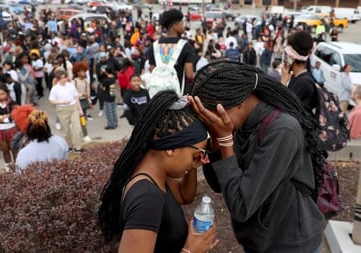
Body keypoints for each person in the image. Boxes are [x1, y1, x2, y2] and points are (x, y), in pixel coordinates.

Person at [188, 60, 325, 253]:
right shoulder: (240, 121)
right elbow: (219, 184)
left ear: (240, 101)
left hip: (289, 244)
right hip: (261, 241)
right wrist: (217, 141)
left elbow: (241, 206)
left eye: (212, 114)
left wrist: (226, 140)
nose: (212, 122)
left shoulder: (282, 130)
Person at [99, 90, 218, 253]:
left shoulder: (153, 173)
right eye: (196, 153)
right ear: (172, 149)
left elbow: (185, 196)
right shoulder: (147, 199)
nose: (198, 158)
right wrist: (190, 251)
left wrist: (192, 165)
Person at [148, 8, 195, 95]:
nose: (183, 26)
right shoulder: (186, 46)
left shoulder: (154, 45)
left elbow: (152, 68)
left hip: (158, 96)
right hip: (178, 96)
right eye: (181, 23)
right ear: (175, 26)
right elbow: (189, 75)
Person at [281, 31, 318, 114]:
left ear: (291, 57)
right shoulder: (301, 78)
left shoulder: (303, 84)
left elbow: (283, 110)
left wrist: (283, 82)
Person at [48, 68, 84, 153]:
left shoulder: (70, 85)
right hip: (62, 110)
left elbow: (76, 97)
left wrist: (80, 109)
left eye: (65, 77)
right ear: (58, 79)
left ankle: (78, 147)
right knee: (66, 130)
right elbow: (51, 100)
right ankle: (69, 145)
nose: (64, 79)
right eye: (62, 78)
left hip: (73, 108)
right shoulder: (55, 88)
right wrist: (61, 102)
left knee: (77, 129)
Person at [0, 84, 19, 172]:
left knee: (14, 150)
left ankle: (17, 167)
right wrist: (3, 118)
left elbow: (13, 117)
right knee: (5, 150)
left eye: (3, 94)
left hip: (12, 129)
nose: (1, 96)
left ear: (7, 93)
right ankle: (8, 168)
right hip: (0, 130)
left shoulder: (13, 103)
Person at [72, 61, 92, 142]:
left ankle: (83, 133)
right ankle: (85, 134)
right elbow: (74, 94)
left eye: (84, 71)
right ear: (78, 72)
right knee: (81, 118)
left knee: (83, 118)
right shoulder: (74, 81)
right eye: (82, 71)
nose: (84, 73)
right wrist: (82, 94)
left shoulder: (86, 81)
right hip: (77, 102)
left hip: (84, 102)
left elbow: (88, 92)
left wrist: (90, 102)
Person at [101, 66, 118, 130]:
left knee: (109, 111)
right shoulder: (113, 78)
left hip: (107, 97)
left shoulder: (106, 80)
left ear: (106, 71)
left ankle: (111, 124)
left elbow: (103, 87)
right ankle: (115, 122)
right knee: (113, 110)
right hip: (112, 95)